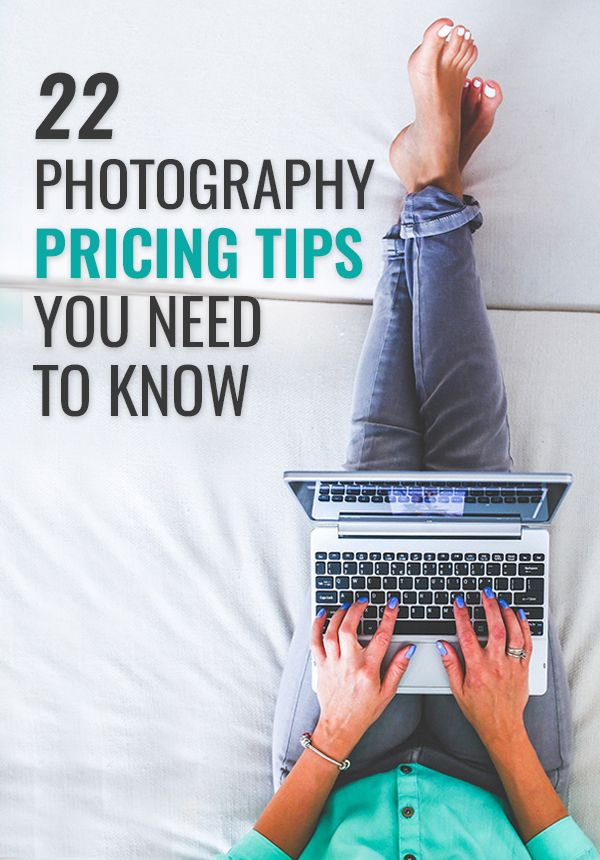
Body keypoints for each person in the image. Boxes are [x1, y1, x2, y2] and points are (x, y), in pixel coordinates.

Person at [220, 18, 598, 860]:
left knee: (377, 492)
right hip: (503, 776)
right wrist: (502, 730)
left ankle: (432, 192)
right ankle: (429, 188)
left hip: (338, 768)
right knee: (477, 490)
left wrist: (334, 733)